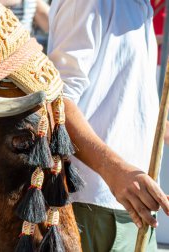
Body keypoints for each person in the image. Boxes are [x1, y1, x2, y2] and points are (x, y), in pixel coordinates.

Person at [47, 0, 169, 251]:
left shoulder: (139, 6)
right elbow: (56, 101)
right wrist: (113, 169)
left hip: (134, 205)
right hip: (93, 209)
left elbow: (119, 101)